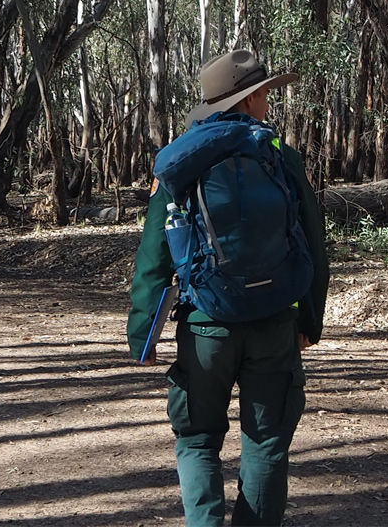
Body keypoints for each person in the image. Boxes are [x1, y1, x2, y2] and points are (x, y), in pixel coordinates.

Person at [126, 50, 330, 526]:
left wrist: (144, 334)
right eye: (265, 93)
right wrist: (309, 318)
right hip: (275, 325)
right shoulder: (278, 155)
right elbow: (312, 243)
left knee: (198, 440)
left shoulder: (181, 161)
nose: (267, 101)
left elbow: (155, 253)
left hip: (205, 327)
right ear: (251, 97)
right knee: (265, 443)